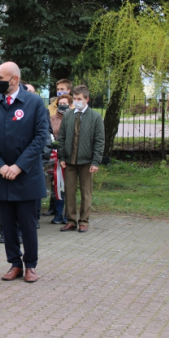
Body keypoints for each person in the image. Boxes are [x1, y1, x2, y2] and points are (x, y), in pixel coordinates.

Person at [0, 62, 49, 283]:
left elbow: (40, 138)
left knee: (28, 223)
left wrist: (18, 166)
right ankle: (14, 263)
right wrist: (0, 166)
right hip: (1, 174)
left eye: (0, 77)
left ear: (15, 80)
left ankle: (30, 265)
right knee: (6, 223)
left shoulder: (34, 102)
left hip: (26, 174)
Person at [58, 85, 105, 233]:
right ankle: (71, 220)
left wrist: (96, 161)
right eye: (75, 99)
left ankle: (84, 221)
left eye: (80, 99)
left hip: (87, 161)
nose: (77, 101)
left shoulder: (95, 117)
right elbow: (62, 137)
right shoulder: (68, 115)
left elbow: (99, 141)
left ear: (87, 99)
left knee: (86, 192)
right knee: (69, 191)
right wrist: (62, 156)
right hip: (70, 161)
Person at [47, 94, 73, 224]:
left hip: (69, 157)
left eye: (65, 103)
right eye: (60, 103)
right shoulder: (52, 119)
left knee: (68, 186)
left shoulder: (74, 118)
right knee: (57, 186)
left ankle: (69, 214)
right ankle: (58, 213)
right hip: (54, 156)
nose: (63, 105)